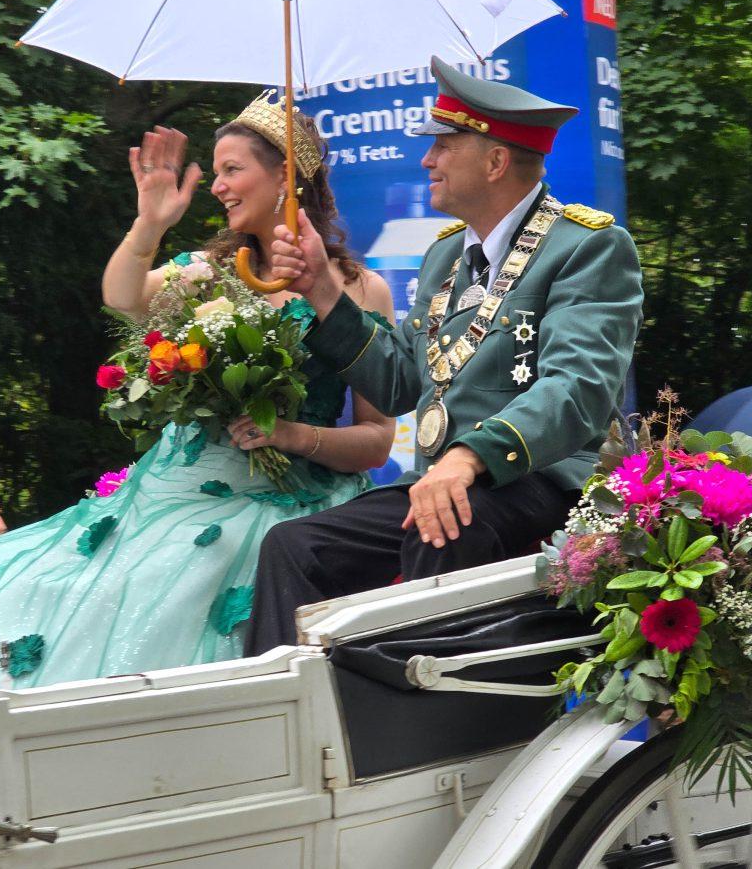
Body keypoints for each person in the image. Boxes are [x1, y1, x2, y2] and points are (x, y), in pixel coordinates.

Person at [0, 94, 396, 688]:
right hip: (180, 490)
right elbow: (122, 297)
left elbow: (378, 439)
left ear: (285, 176)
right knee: (69, 587)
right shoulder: (206, 272)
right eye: (216, 172)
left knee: (193, 569)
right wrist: (150, 222)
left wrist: (290, 435)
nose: (218, 187)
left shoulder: (360, 290)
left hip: (293, 502)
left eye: (232, 170)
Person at [245, 57, 644, 655]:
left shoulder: (587, 246)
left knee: (447, 522)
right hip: (449, 482)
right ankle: (290, 704)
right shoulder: (445, 256)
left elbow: (577, 390)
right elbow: (401, 383)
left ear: (495, 161)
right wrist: (322, 289)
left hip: (545, 480)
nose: (427, 161)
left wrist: (469, 456)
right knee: (294, 547)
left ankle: (423, 710)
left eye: (443, 146)